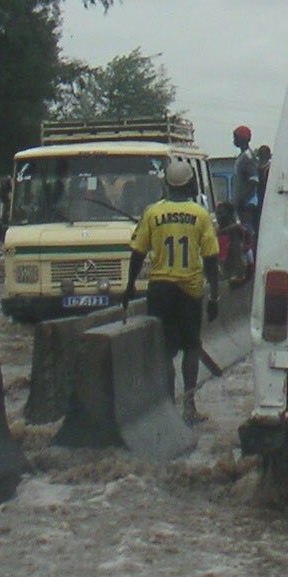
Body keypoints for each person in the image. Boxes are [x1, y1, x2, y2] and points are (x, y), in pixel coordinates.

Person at [126, 157, 222, 422]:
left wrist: (129, 286)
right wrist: (214, 295)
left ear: (167, 184)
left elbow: (137, 252)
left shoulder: (152, 213)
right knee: (192, 346)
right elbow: (211, 258)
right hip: (190, 291)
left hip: (160, 290)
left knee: (164, 350)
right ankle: (189, 406)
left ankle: (167, 405)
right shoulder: (201, 215)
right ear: (190, 183)